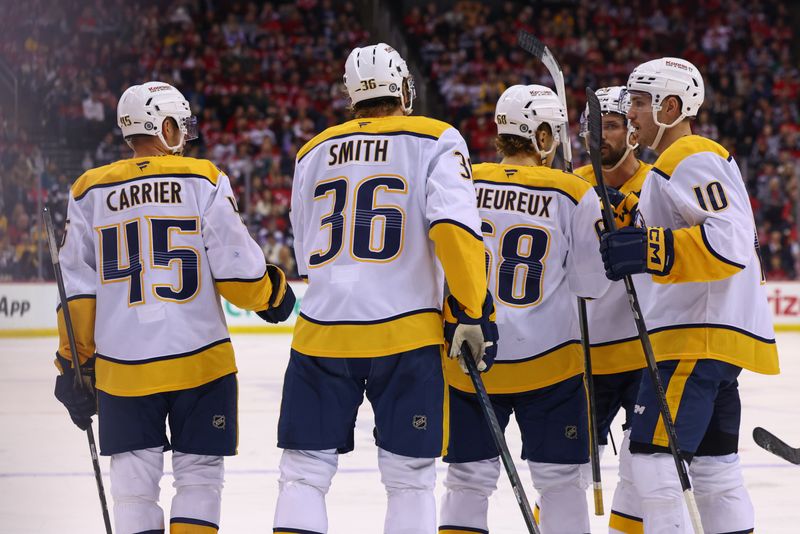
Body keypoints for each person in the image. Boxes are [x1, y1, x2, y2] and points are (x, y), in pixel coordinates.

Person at [53, 81, 295, 534]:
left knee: (133, 492)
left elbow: (76, 292)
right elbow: (237, 269)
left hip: (124, 370)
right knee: (200, 480)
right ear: (163, 126)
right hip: (201, 363)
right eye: (179, 125)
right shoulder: (201, 178)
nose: (185, 133)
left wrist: (73, 365)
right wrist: (272, 295)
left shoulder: (87, 191)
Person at [275, 43, 494, 534]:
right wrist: (472, 309)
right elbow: (455, 232)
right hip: (406, 334)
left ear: (351, 95)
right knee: (410, 479)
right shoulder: (436, 138)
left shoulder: (311, 151)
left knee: (303, 475)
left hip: (322, 331)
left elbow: (306, 240)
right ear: (403, 88)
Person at [600, 57, 780, 532]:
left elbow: (730, 243)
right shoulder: (675, 166)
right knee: (715, 470)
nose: (632, 114)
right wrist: (635, 223)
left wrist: (647, 246)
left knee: (651, 458)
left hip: (693, 337)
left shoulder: (691, 154)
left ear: (671, 106)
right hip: (709, 338)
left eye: (639, 102)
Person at [438, 85, 609, 534]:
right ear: (545, 136)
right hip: (550, 367)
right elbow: (591, 286)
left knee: (467, 483)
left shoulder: (463, 180)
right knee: (559, 484)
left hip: (471, 358)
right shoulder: (573, 191)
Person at [574, 85, 652, 533]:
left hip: (645, 353)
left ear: (633, 132)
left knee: (641, 466)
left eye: (612, 125)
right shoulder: (572, 185)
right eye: (593, 125)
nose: (599, 133)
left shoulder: (658, 184)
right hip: (585, 350)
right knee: (565, 470)